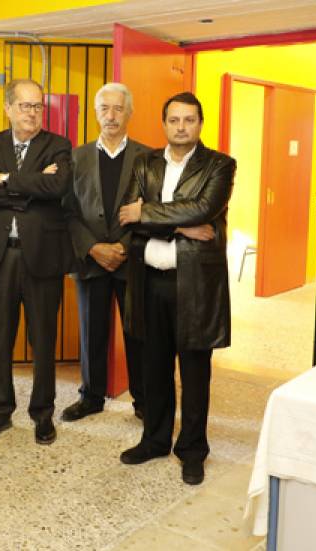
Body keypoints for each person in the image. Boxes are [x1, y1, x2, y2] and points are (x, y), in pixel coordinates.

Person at [118, 92, 235, 486]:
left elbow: (204, 209)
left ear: (200, 123)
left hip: (194, 285)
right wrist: (182, 226)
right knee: (153, 368)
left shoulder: (219, 165)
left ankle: (192, 451)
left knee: (195, 372)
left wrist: (148, 213)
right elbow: (126, 215)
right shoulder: (144, 163)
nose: (181, 127)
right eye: (174, 120)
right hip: (149, 280)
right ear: (164, 123)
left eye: (189, 120)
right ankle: (154, 440)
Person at [0, 78, 74, 445]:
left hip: (42, 255)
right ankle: (0, 409)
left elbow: (57, 188)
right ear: (8, 108)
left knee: (43, 338)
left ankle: (42, 414)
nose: (32, 112)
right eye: (25, 105)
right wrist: (32, 184)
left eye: (37, 106)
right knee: (1, 336)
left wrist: (8, 180)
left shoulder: (58, 145)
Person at [62, 83, 148, 422]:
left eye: (118, 109)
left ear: (129, 113)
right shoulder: (75, 157)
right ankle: (91, 397)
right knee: (91, 332)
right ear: (96, 113)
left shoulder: (148, 158)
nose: (111, 116)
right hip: (90, 260)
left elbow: (152, 209)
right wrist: (93, 247)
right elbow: (66, 211)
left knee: (137, 335)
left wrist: (123, 247)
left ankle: (143, 401)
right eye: (104, 109)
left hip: (132, 260)